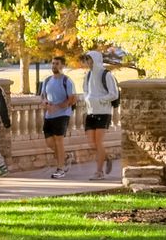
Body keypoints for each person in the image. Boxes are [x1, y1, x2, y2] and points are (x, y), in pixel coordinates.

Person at [80, 48, 121, 178]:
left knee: (98, 142)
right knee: (92, 143)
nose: (88, 62)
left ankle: (99, 172)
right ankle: (106, 157)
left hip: (103, 112)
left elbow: (114, 94)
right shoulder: (87, 75)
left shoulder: (106, 75)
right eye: (87, 60)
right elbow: (85, 90)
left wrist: (99, 100)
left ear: (96, 60)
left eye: (89, 59)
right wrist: (87, 99)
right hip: (90, 111)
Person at [37, 58, 77, 177]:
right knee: (49, 142)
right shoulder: (47, 80)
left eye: (57, 64)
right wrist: (45, 103)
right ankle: (65, 157)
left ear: (62, 65)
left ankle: (60, 169)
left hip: (62, 115)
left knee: (59, 141)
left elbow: (72, 99)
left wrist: (58, 107)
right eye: (53, 63)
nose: (54, 66)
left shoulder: (67, 81)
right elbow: (43, 96)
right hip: (49, 115)